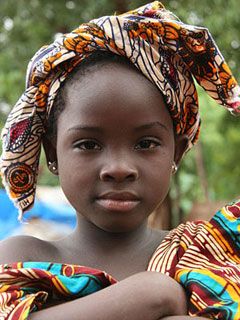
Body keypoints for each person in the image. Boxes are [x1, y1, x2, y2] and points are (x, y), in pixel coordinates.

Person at [0, 2, 239, 319]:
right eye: (88, 144)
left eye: (145, 143)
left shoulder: (211, 255)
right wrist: (152, 296)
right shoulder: (24, 259)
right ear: (52, 153)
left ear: (177, 153)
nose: (118, 168)